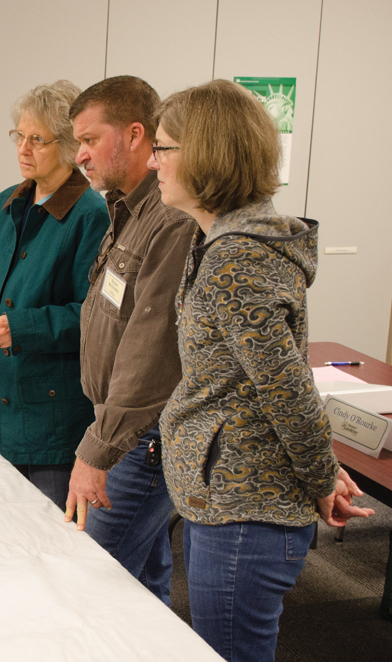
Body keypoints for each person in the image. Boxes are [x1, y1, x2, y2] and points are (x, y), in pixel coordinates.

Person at [151, 79, 373, 661]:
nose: (154, 161)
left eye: (164, 147)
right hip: (226, 498)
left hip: (246, 507)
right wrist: (322, 472)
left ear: (206, 156)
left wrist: (323, 477)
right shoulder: (221, 243)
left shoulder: (236, 257)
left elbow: (288, 392)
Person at [0, 81, 108, 505]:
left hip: (52, 415)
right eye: (19, 136)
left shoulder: (90, 215)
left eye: (37, 140)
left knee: (50, 542)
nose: (23, 149)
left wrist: (23, 327)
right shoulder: (4, 204)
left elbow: (93, 315)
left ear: (69, 146)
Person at [61, 76, 196, 606]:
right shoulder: (127, 210)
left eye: (91, 140)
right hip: (120, 428)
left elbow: (151, 349)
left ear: (136, 135)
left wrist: (97, 450)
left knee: (91, 584)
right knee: (142, 585)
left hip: (137, 438)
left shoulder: (170, 220)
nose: (81, 156)